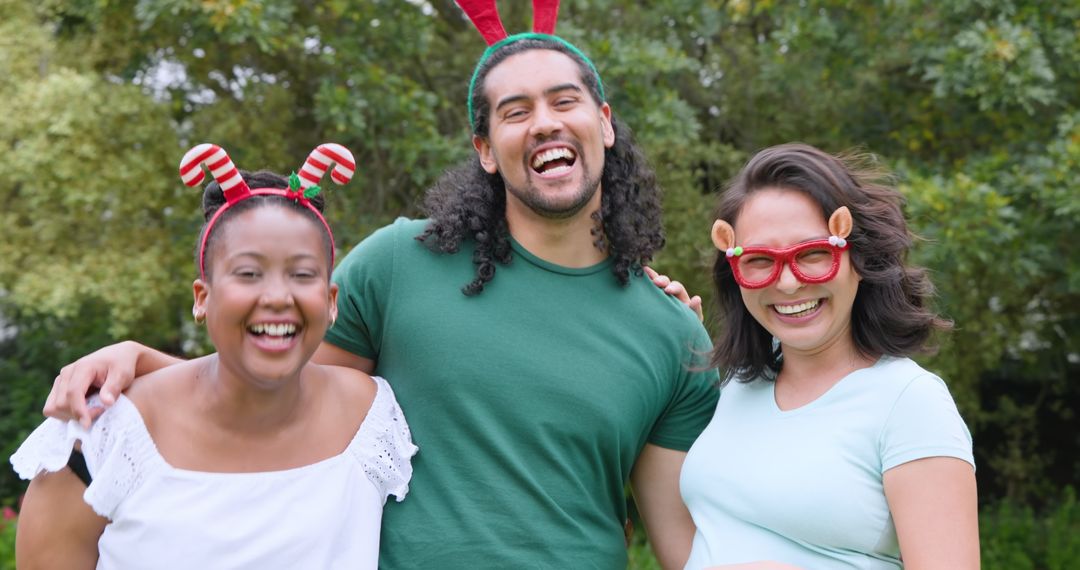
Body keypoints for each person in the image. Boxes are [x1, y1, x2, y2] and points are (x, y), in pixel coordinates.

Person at [39, 2, 719, 568]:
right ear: (485, 150)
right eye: (515, 112)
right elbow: (269, 392)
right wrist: (138, 358)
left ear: (603, 121)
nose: (544, 122)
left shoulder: (671, 333)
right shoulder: (401, 264)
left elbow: (683, 543)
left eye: (564, 101)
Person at [12, 144, 417, 569]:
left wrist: (143, 356)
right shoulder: (102, 434)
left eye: (302, 274)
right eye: (248, 273)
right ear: (202, 298)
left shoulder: (371, 420)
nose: (277, 297)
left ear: (331, 301)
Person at [679, 143, 978, 569]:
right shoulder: (739, 384)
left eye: (813, 254)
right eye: (760, 260)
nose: (787, 284)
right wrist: (667, 327)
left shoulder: (910, 401)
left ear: (859, 257)